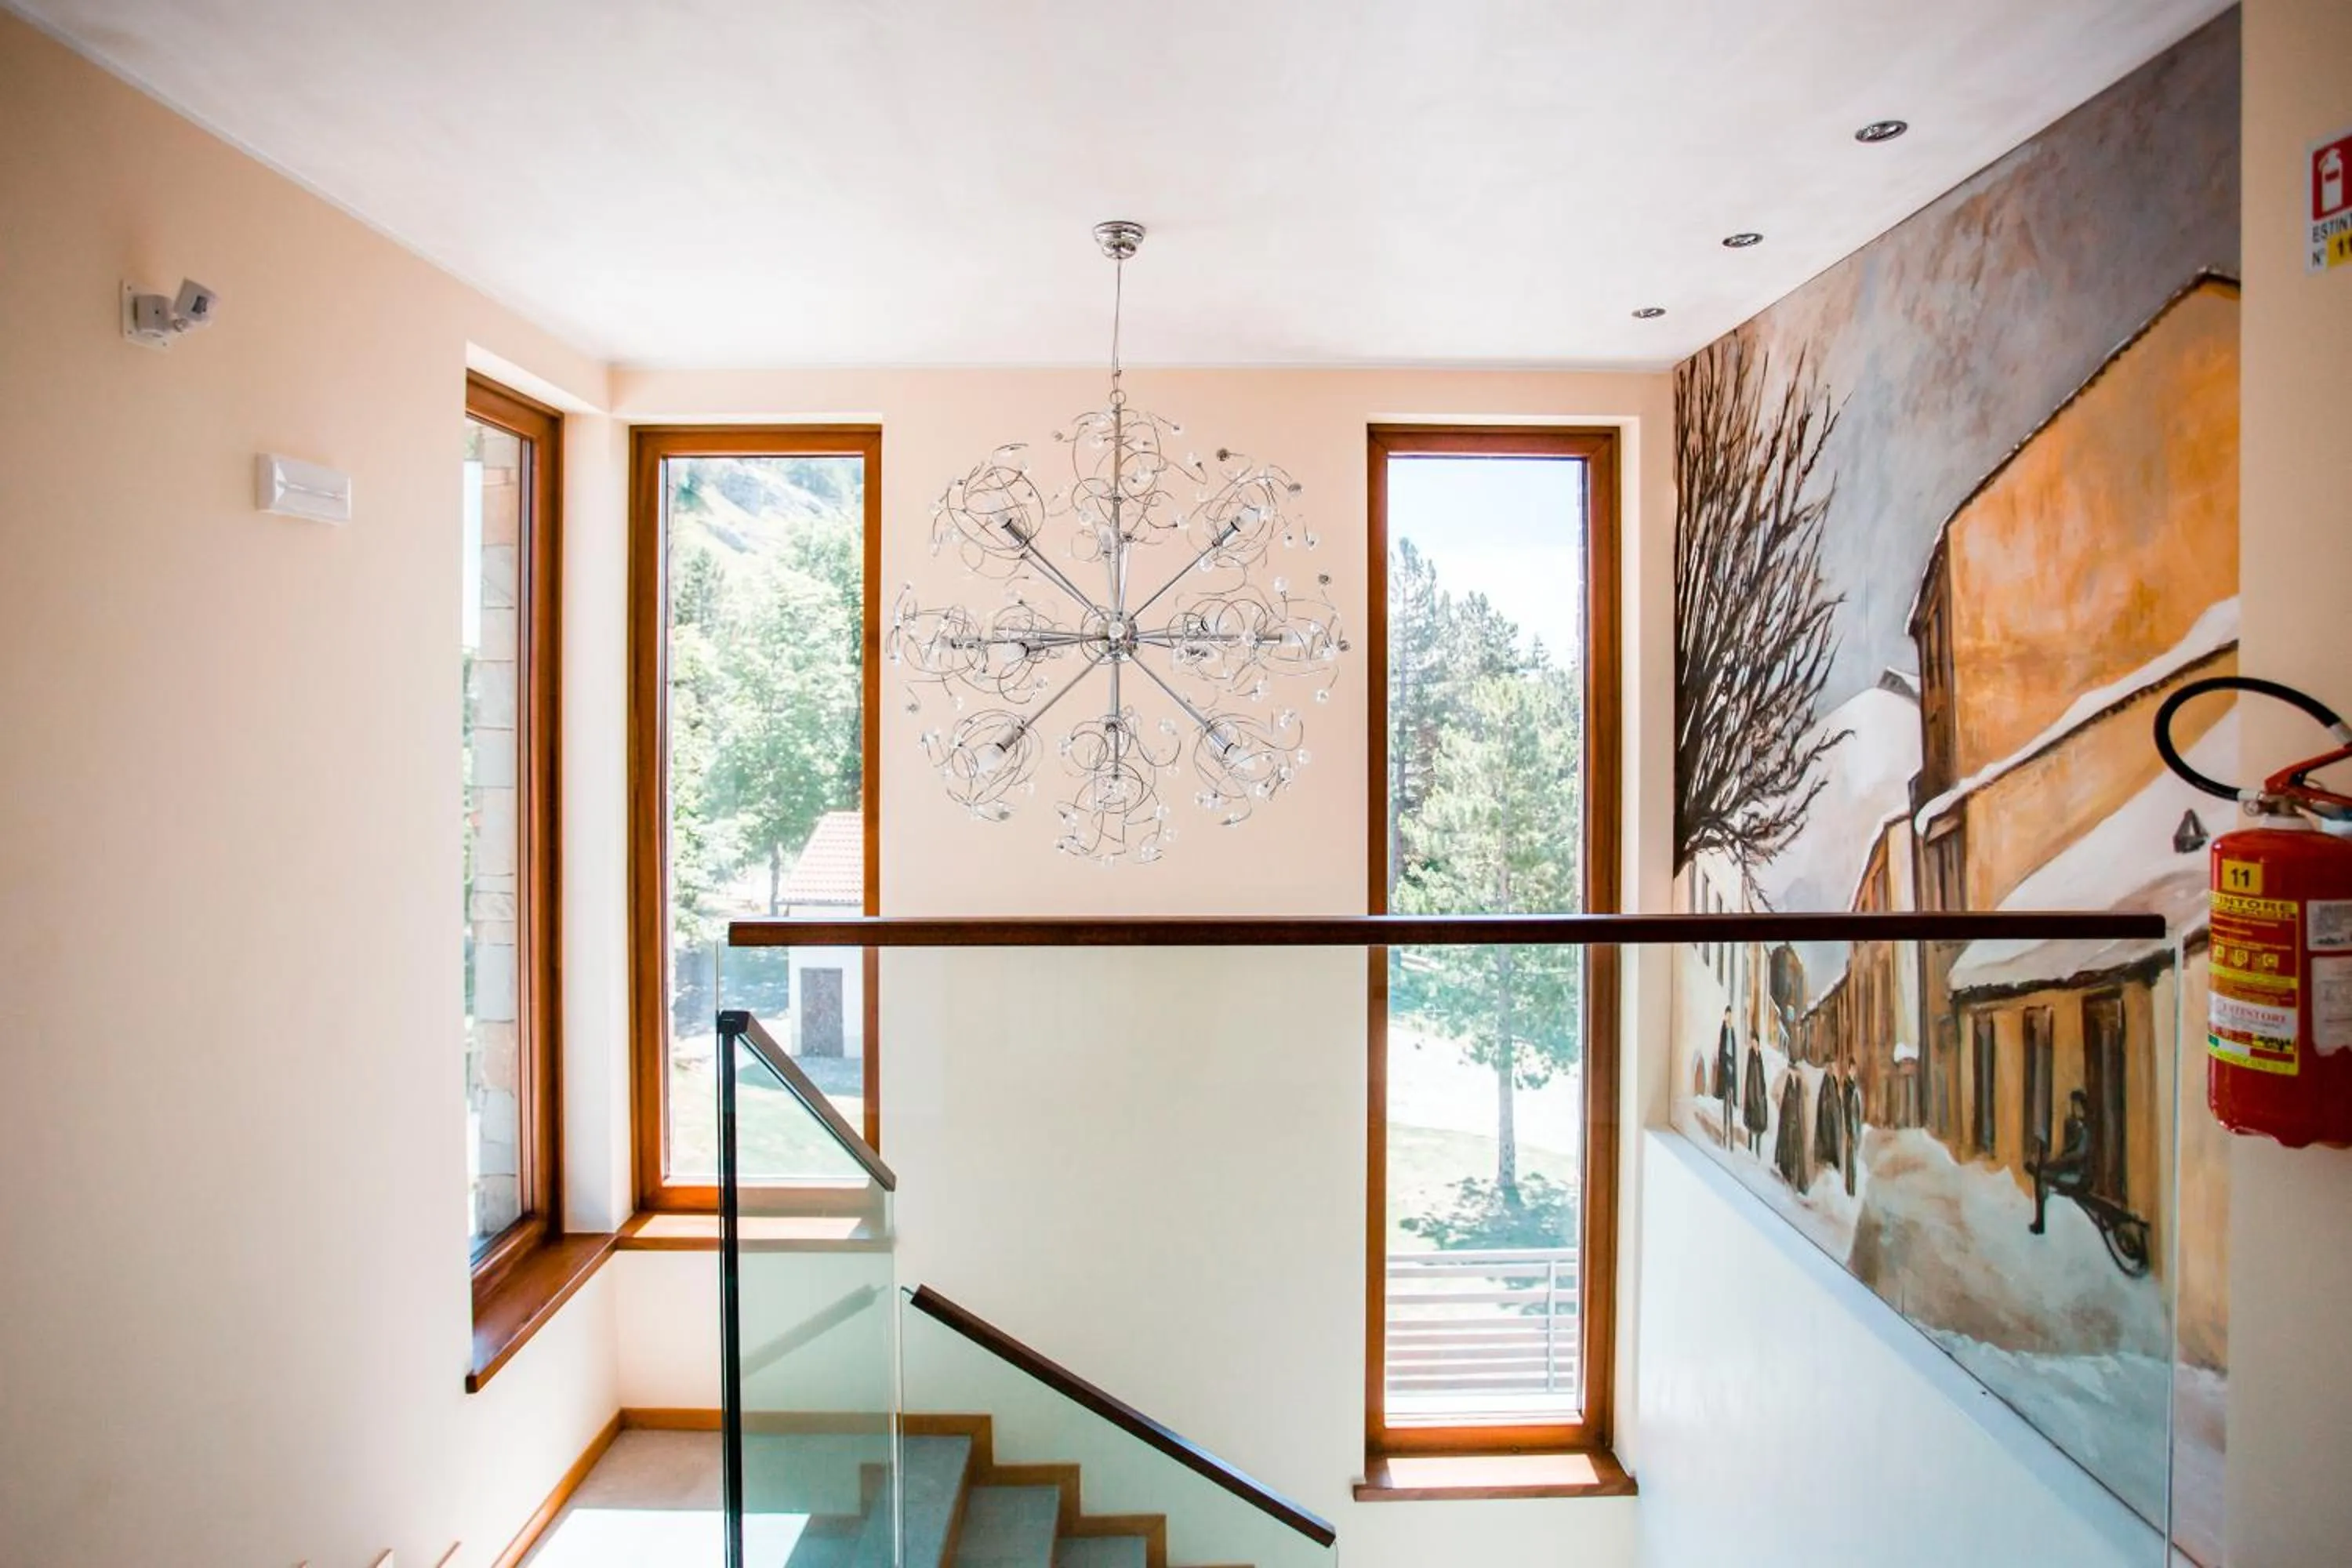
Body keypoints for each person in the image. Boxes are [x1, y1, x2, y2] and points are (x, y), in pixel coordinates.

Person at [2031, 1090, 2092, 1236]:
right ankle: (2040, 1219)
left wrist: (2059, 1161)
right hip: (2071, 1170)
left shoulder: (2086, 1129)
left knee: (2042, 1176)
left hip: (2079, 1176)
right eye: (2074, 1106)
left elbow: (2079, 1154)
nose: (2076, 1109)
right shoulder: (2074, 1125)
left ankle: (2040, 1221)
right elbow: (2069, 1151)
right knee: (2041, 1175)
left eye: (2078, 1106)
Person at [1774, 1065, 1808, 1188]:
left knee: (1796, 1155)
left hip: (1796, 1126)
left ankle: (1795, 1181)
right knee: (1787, 1153)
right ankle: (1787, 1176)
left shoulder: (1799, 1085)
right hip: (1788, 1125)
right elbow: (1778, 1098)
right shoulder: (1787, 1082)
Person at [1741, 1035, 1769, 1158]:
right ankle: (1750, 1147)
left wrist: (1762, 1092)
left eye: (1755, 1043)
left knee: (1759, 1123)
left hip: (1760, 1094)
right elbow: (1750, 1077)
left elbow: (1761, 1076)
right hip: (1753, 1094)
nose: (1754, 1045)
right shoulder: (1751, 1056)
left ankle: (1758, 1150)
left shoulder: (1759, 1056)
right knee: (1751, 1122)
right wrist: (1751, 1094)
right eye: (1752, 1043)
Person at [1813, 1067, 1845, 1172]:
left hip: (1832, 1123)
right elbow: (1826, 1108)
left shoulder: (1832, 1082)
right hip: (1829, 1125)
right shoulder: (1827, 1084)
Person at [1842, 1069, 1864, 1198]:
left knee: (1854, 1157)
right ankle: (1849, 1187)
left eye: (1855, 1070)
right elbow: (1847, 1108)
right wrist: (1849, 1128)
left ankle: (1852, 1185)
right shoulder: (1848, 1087)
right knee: (1850, 1157)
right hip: (1851, 1126)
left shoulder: (1854, 1086)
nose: (1854, 1072)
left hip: (1855, 1126)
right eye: (1852, 1070)